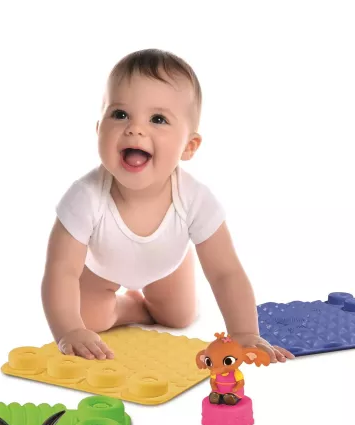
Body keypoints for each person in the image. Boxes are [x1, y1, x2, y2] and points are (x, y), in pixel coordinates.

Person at [42, 48, 294, 364]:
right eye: (119, 114)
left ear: (189, 146)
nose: (135, 128)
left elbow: (225, 272)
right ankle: (127, 308)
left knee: (179, 317)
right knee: (90, 320)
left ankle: (151, 298)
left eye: (158, 119)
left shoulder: (194, 199)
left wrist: (243, 333)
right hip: (100, 269)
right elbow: (61, 270)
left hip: (166, 264)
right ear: (98, 130)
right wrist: (69, 330)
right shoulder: (85, 196)